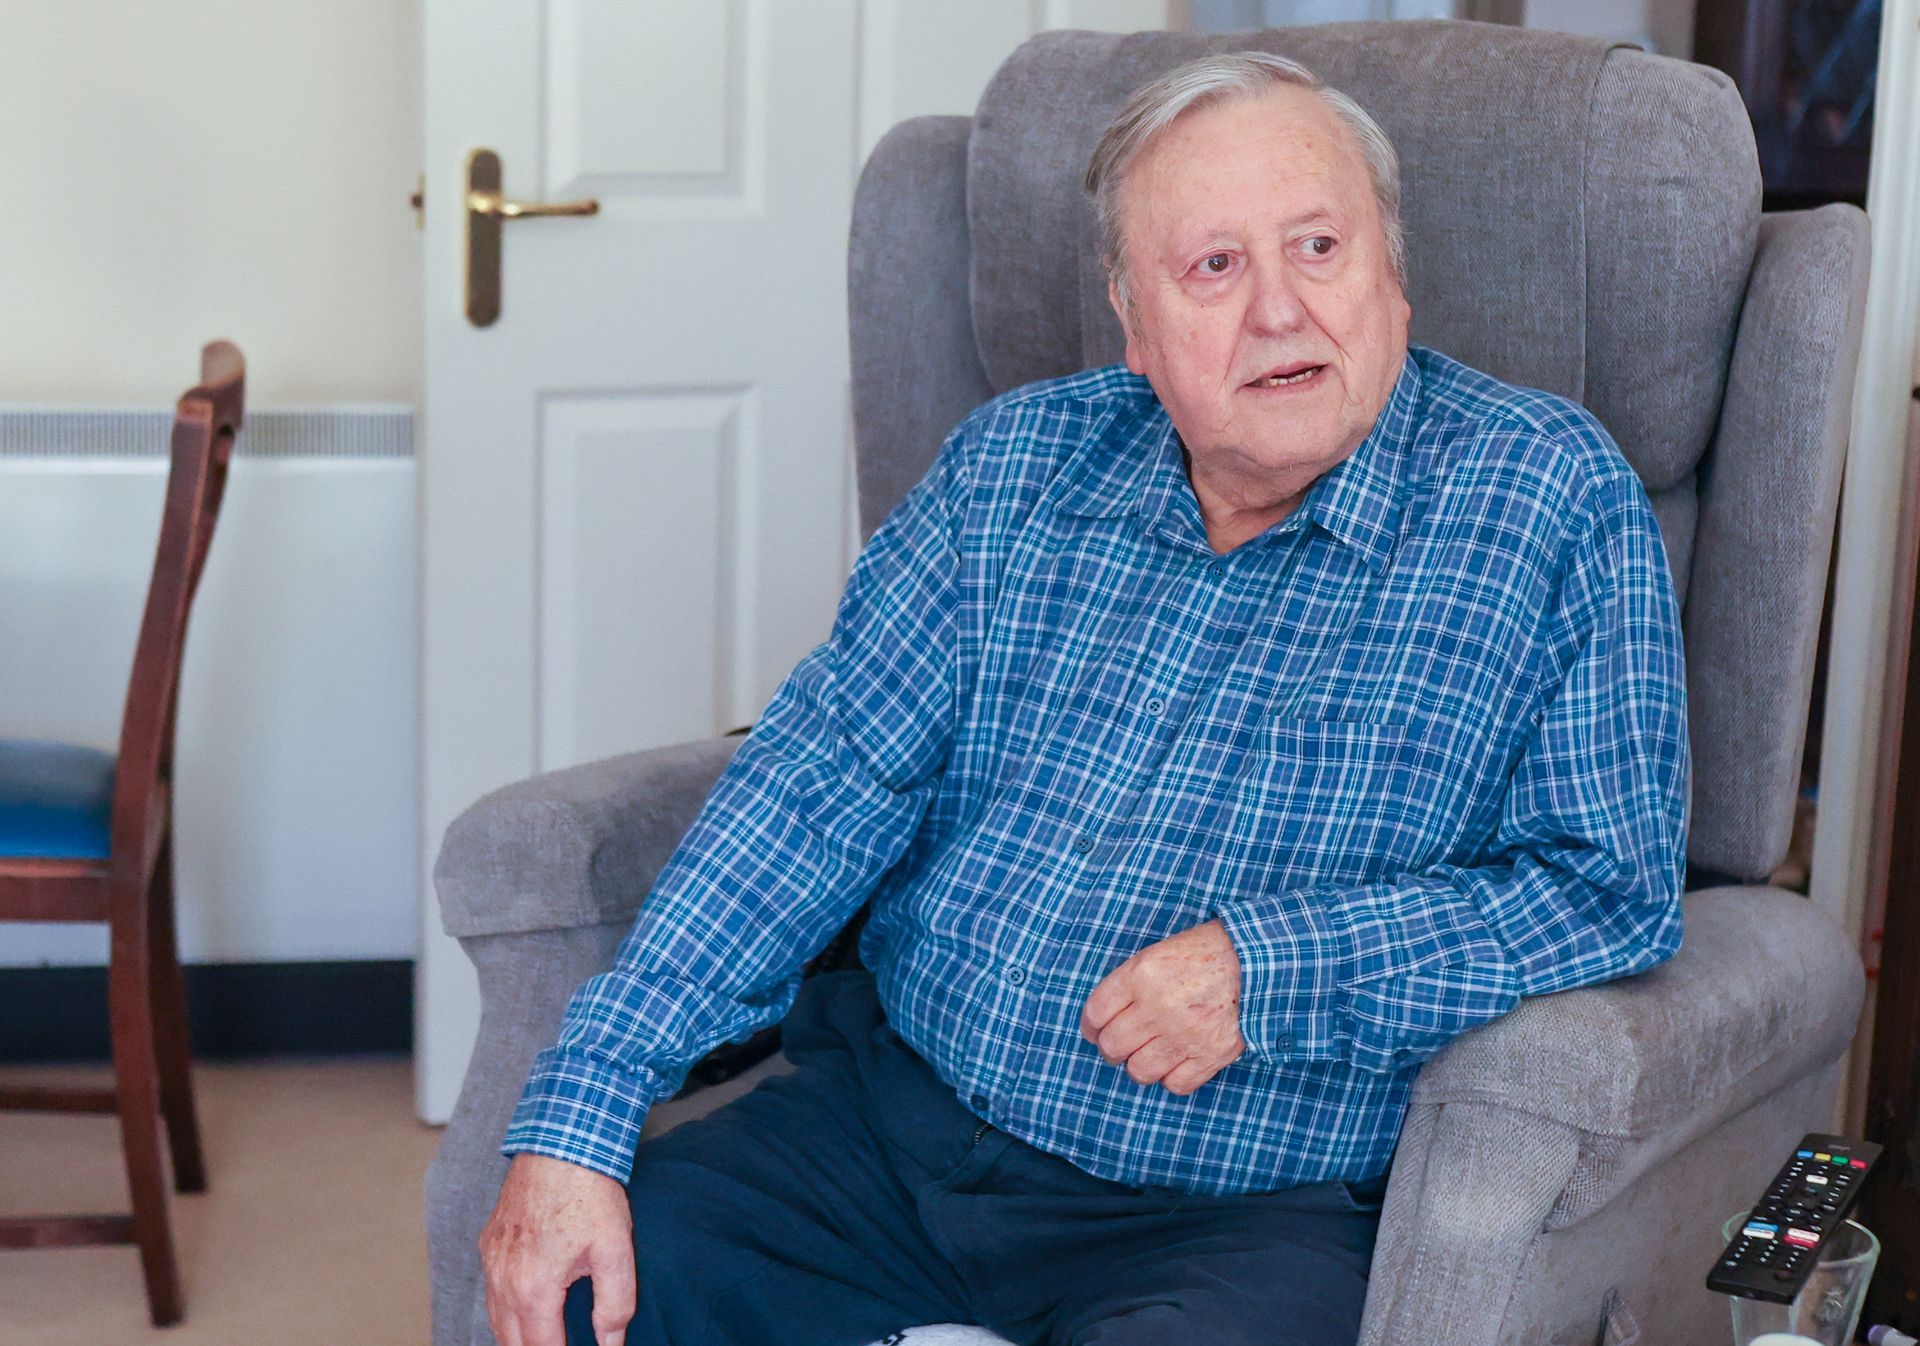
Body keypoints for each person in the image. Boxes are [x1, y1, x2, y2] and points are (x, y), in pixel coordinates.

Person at [477, 50, 1689, 1346]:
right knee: (598, 1285)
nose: (1280, 310)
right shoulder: (1015, 466)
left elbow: (1606, 883)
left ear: (1394, 271)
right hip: (896, 1133)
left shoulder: (1548, 499)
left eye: (1320, 246)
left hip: (1241, 1212)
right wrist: (582, 1109)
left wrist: (1274, 967)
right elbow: (812, 787)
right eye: (1213, 268)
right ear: (1133, 320)